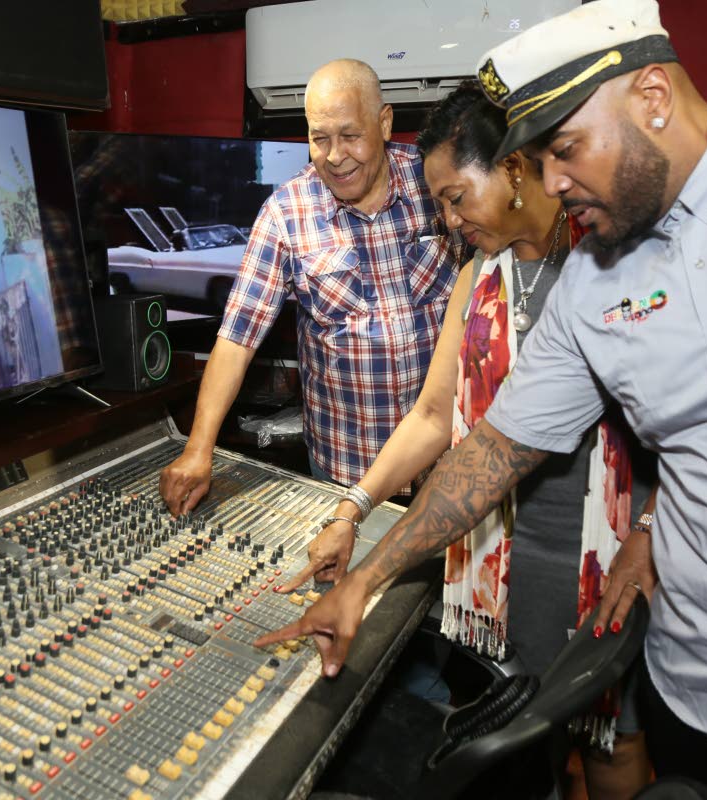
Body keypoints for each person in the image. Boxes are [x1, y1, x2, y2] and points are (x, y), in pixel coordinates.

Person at [256, 1, 707, 797]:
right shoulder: (593, 285)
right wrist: (365, 576)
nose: (552, 183)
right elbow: (493, 451)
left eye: (565, 150)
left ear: (654, 99)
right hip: (702, 709)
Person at [275, 83, 653, 798]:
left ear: (512, 171)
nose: (447, 218)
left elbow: (675, 425)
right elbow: (432, 415)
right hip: (495, 553)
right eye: (439, 203)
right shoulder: (478, 276)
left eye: (455, 196)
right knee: (521, 741)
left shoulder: (608, 260)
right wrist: (353, 506)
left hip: (602, 553)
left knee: (609, 739)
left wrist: (653, 527)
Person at [159, 59, 461, 513]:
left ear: (384, 122)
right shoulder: (286, 213)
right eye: (320, 139)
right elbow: (237, 338)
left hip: (448, 461)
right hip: (346, 468)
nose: (335, 156)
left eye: (350, 136)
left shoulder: (433, 183)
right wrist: (199, 449)